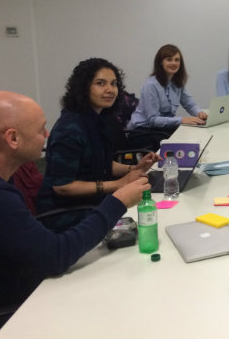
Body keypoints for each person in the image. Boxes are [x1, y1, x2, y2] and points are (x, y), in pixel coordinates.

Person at [0, 91, 149, 329]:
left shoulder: (7, 180)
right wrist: (117, 201)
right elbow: (56, 256)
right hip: (18, 308)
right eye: (40, 130)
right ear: (12, 138)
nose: (47, 135)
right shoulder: (0, 197)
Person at [36, 58, 161, 232]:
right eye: (100, 83)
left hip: (93, 202)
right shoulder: (69, 129)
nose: (110, 90)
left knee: (151, 211)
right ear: (84, 87)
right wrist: (118, 185)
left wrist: (133, 169)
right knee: (147, 220)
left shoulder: (97, 120)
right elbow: (62, 186)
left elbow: (102, 163)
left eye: (114, 84)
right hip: (65, 213)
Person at [127, 44, 207, 136]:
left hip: (162, 129)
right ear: (161, 62)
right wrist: (182, 120)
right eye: (169, 59)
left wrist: (199, 113)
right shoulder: (151, 85)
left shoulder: (177, 83)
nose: (174, 63)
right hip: (142, 131)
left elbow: (190, 104)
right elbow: (153, 120)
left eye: (177, 60)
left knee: (193, 132)